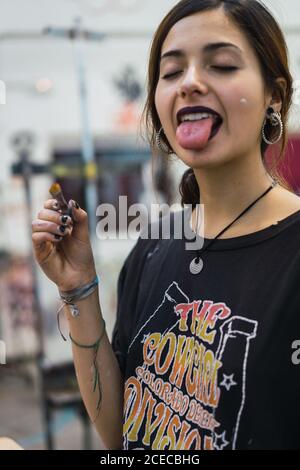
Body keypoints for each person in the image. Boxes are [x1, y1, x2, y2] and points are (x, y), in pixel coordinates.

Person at [32, 0, 300, 450]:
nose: (190, 82)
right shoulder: (156, 244)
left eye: (222, 65)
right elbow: (122, 431)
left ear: (274, 94)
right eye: (171, 72)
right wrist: (78, 287)